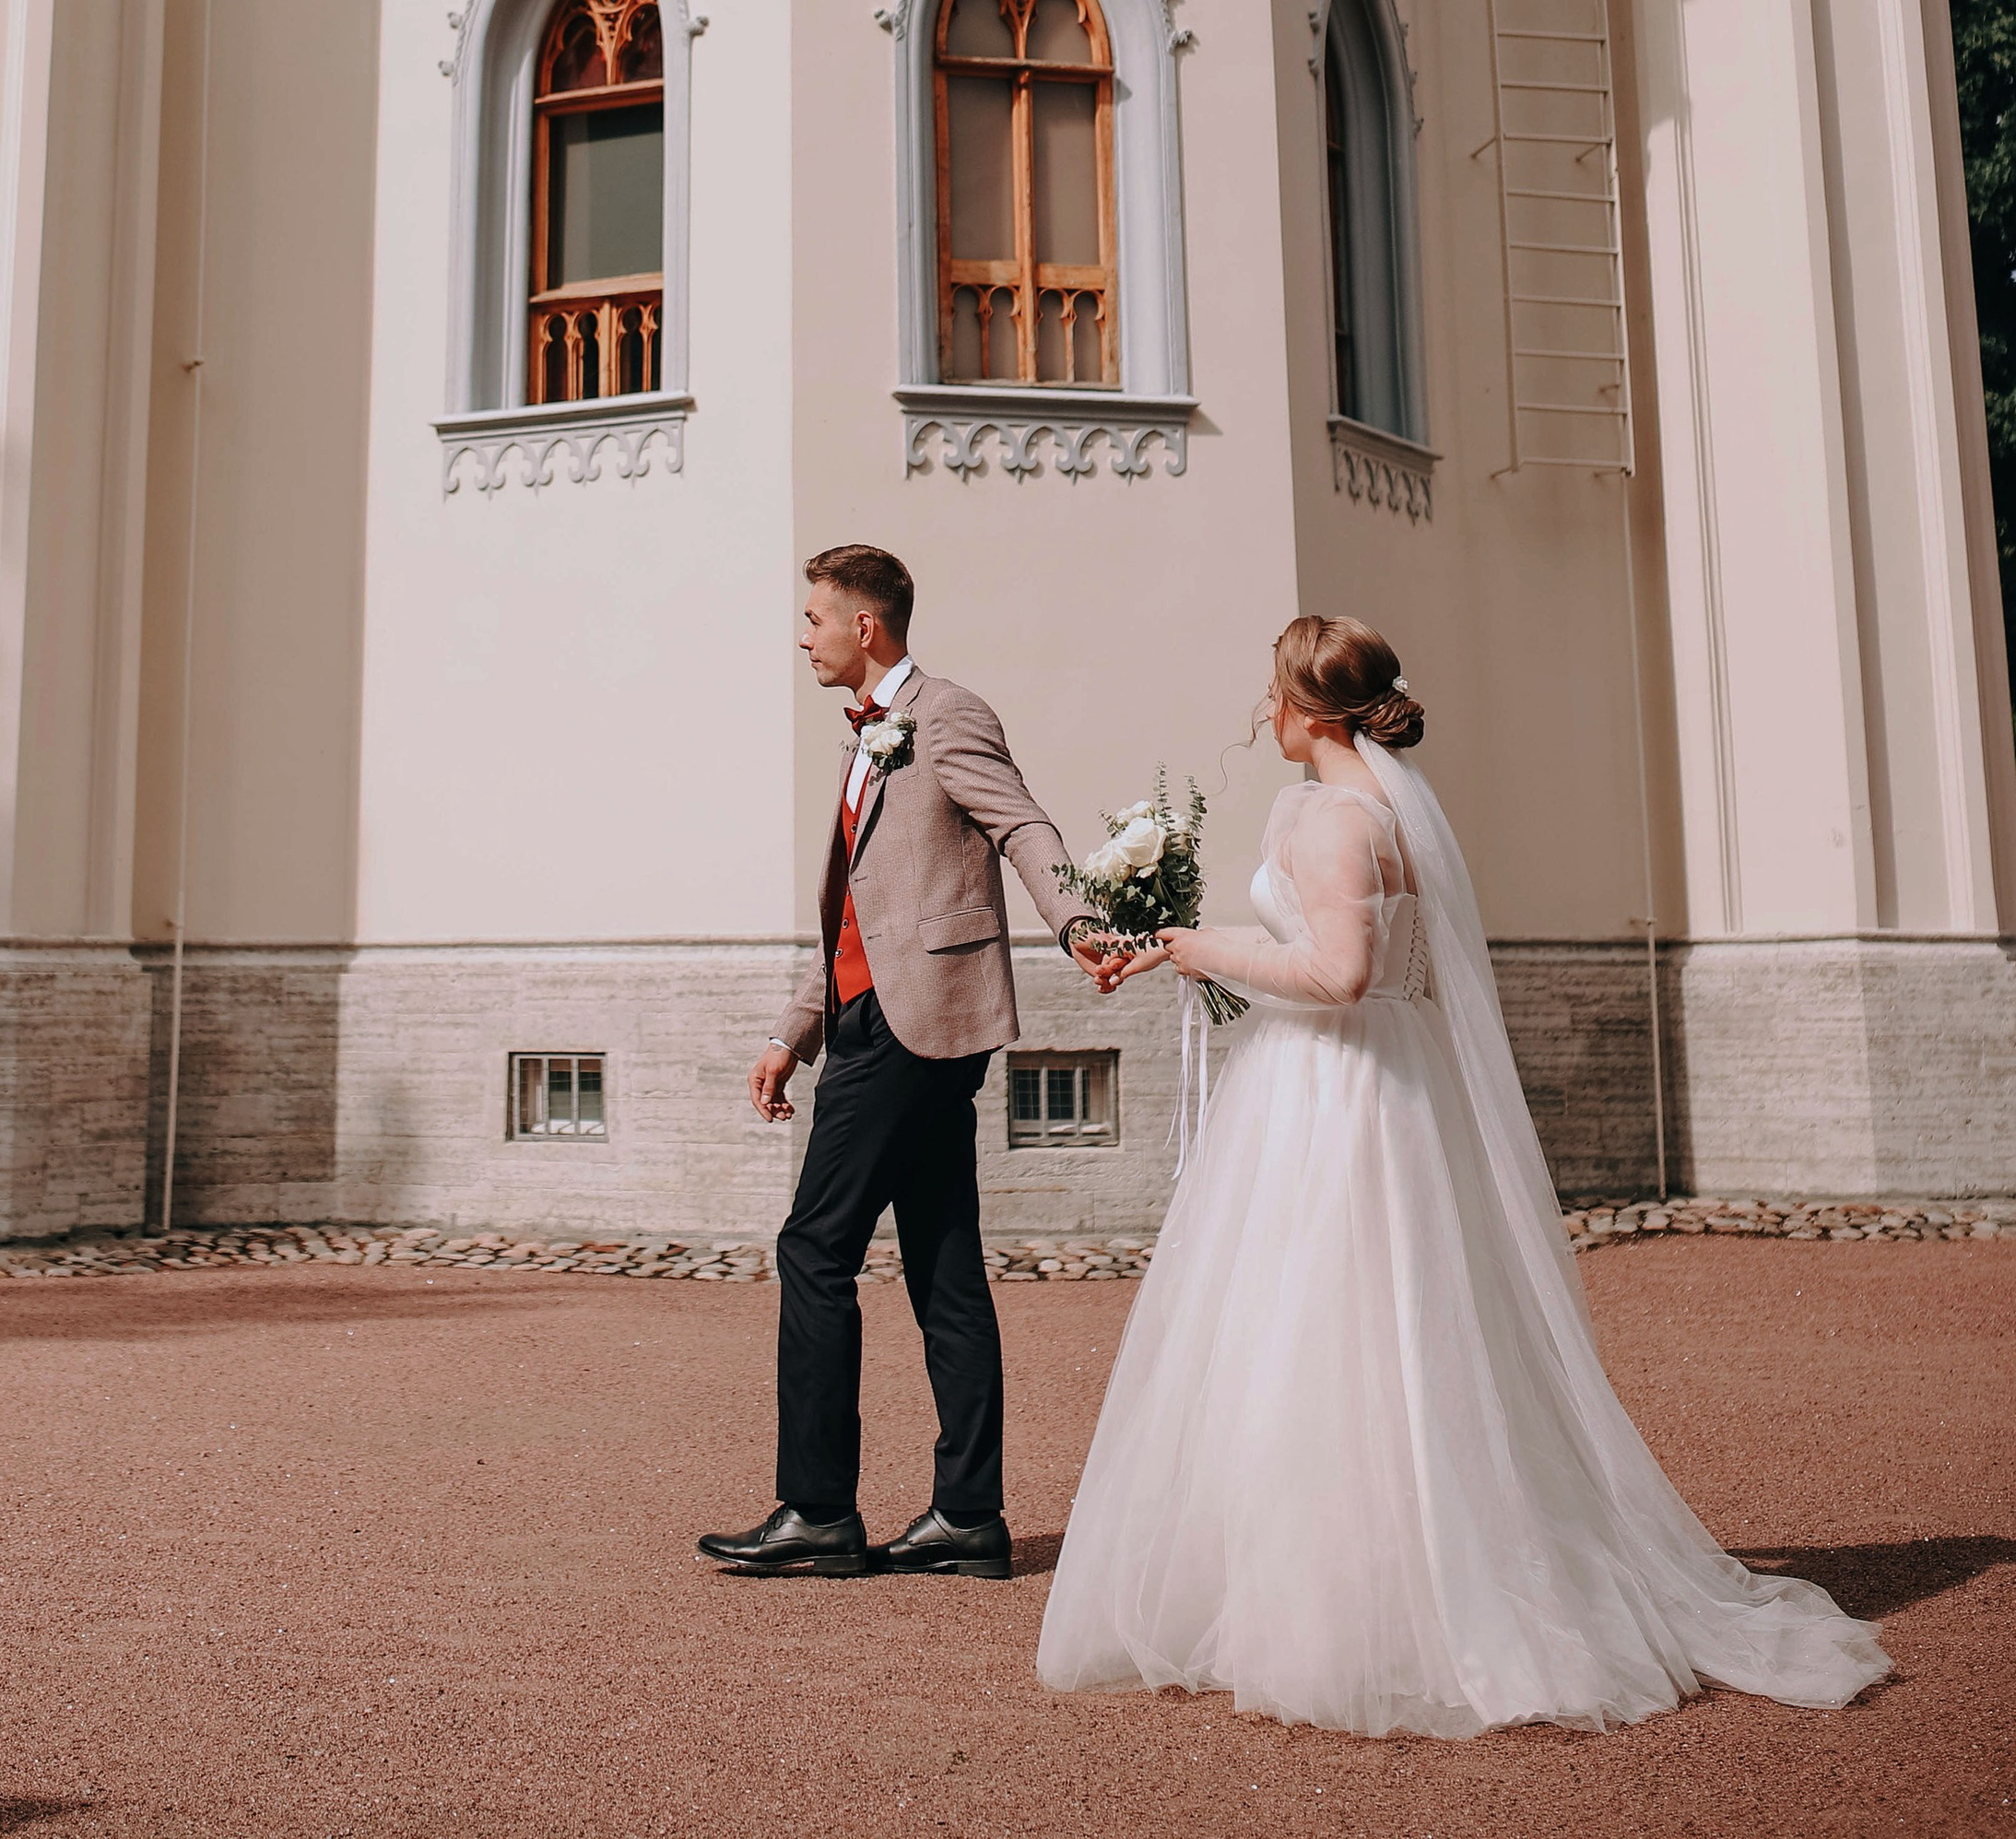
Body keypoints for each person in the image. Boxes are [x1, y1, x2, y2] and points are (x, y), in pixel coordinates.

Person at [1039, 614, 1890, 1732]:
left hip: (1340, 1089)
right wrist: (1173, 948)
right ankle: (1292, 1583)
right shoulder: (1347, 808)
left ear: (1305, 708)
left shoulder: (1343, 820)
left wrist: (1197, 946)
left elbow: (1341, 974)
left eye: (1272, 694)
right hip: (1348, 1080)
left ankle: (1368, 1605)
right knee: (1318, 1325)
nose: (1263, 712)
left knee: (1337, 1327)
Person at [698, 544, 1114, 1583]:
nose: (803, 636)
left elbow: (1022, 823)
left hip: (910, 1027)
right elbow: (858, 916)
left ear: (864, 628)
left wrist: (1077, 923)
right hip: (869, 1019)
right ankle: (968, 1517)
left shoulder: (949, 714)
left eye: (813, 619)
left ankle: (817, 1510)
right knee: (943, 1264)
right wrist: (791, 1032)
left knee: (813, 1247)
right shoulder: (866, 736)